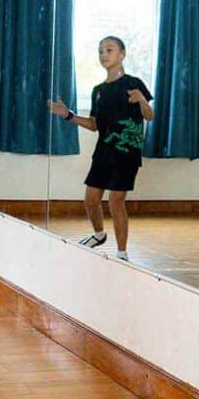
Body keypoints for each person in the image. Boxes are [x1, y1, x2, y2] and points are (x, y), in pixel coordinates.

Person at [48, 36, 154, 261]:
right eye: (101, 51)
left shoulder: (133, 83)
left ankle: (122, 253)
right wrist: (67, 115)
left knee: (116, 200)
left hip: (127, 153)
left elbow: (150, 116)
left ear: (122, 54)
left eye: (109, 50)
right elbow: (94, 124)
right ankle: (99, 234)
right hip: (103, 152)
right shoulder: (98, 91)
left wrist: (142, 100)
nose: (104, 55)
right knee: (90, 200)